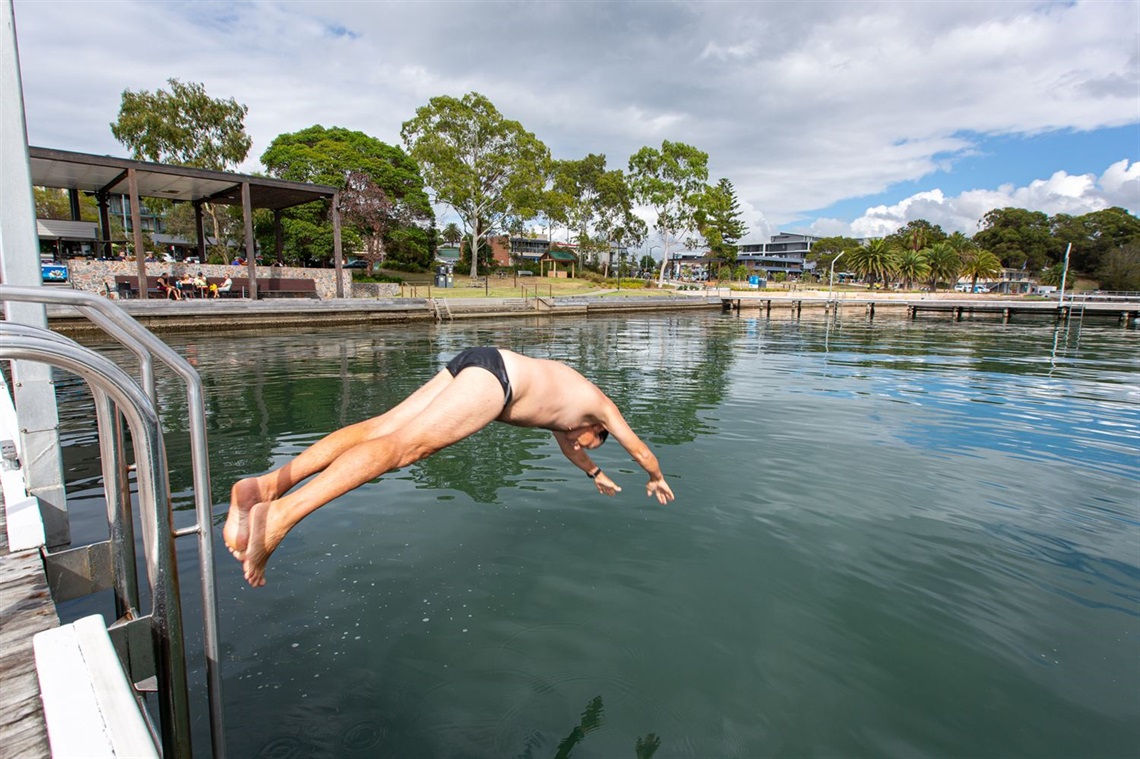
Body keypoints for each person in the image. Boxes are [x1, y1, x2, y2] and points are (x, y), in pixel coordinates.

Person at [225, 347, 675, 587]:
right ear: (598, 429)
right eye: (590, 440)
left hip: (481, 360)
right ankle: (281, 516)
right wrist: (655, 476)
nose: (579, 441)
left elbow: (571, 451)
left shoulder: (569, 410)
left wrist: (594, 474)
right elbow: (638, 447)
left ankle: (264, 487)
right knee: (403, 448)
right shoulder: (599, 407)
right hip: (497, 382)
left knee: (382, 427)